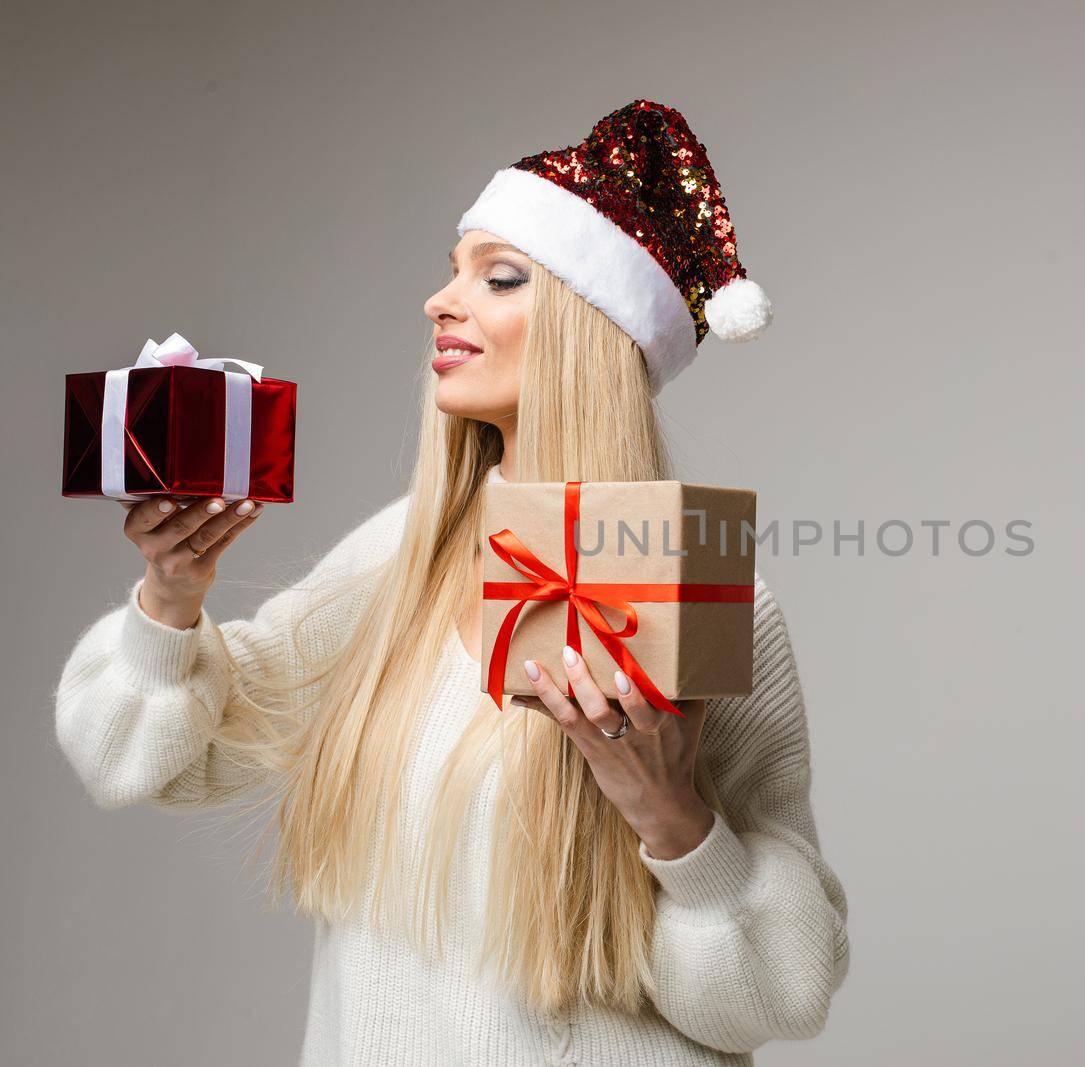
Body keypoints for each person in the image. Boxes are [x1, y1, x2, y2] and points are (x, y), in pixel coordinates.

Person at [54, 99, 849, 1066]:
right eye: (450, 268)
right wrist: (172, 600)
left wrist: (672, 818)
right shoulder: (399, 563)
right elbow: (151, 760)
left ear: (588, 329)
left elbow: (778, 996)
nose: (440, 301)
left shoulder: (709, 593)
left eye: (499, 276)